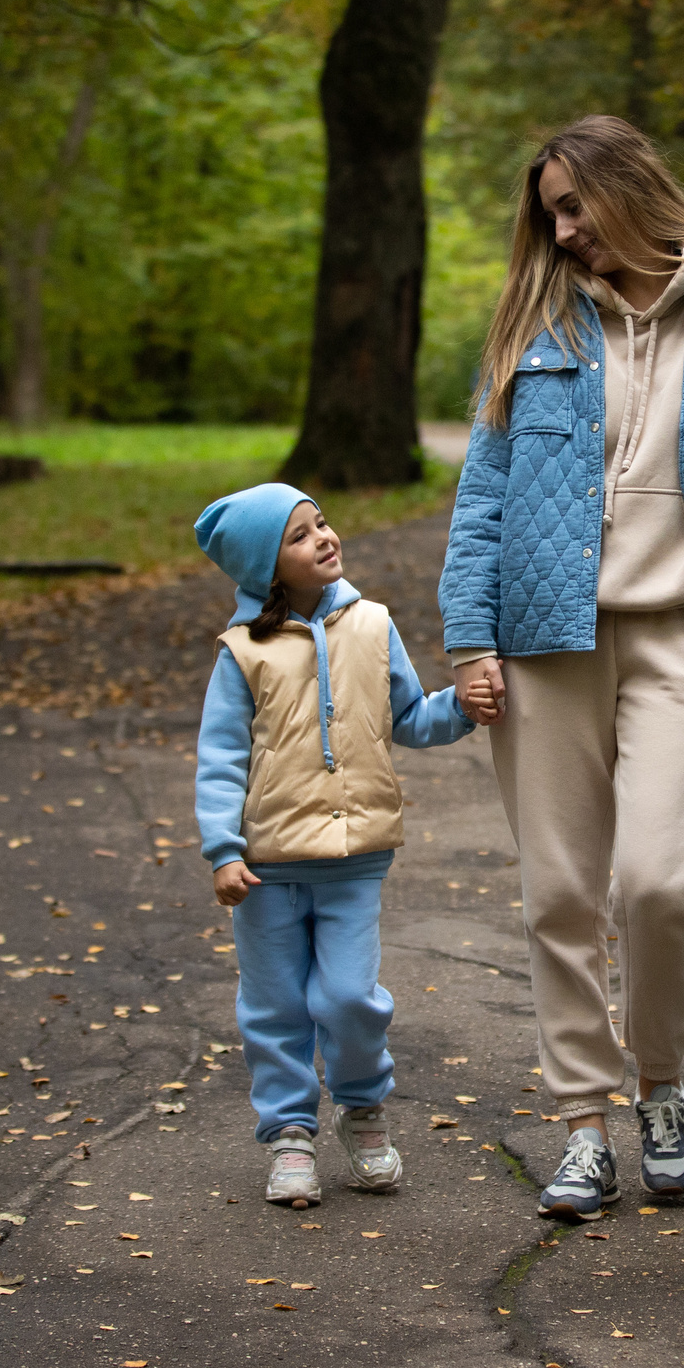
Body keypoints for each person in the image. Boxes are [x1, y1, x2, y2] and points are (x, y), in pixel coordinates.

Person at [440, 115, 684, 1221]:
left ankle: (662, 1084)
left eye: (572, 206)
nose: (561, 231)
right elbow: (484, 496)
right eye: (548, 215)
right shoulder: (537, 318)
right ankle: (584, 1125)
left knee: (657, 883)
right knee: (557, 892)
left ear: (628, 190)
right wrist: (468, 638)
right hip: (545, 637)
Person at [193, 482, 480, 1208]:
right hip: (266, 865)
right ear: (266, 567)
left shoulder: (375, 625)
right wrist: (224, 850)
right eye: (299, 535)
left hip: (356, 858)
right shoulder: (243, 652)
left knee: (349, 996)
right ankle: (290, 1132)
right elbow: (221, 756)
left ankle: (361, 1109)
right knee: (275, 1004)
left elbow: (411, 717)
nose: (323, 536)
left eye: (321, 521)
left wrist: (465, 707)